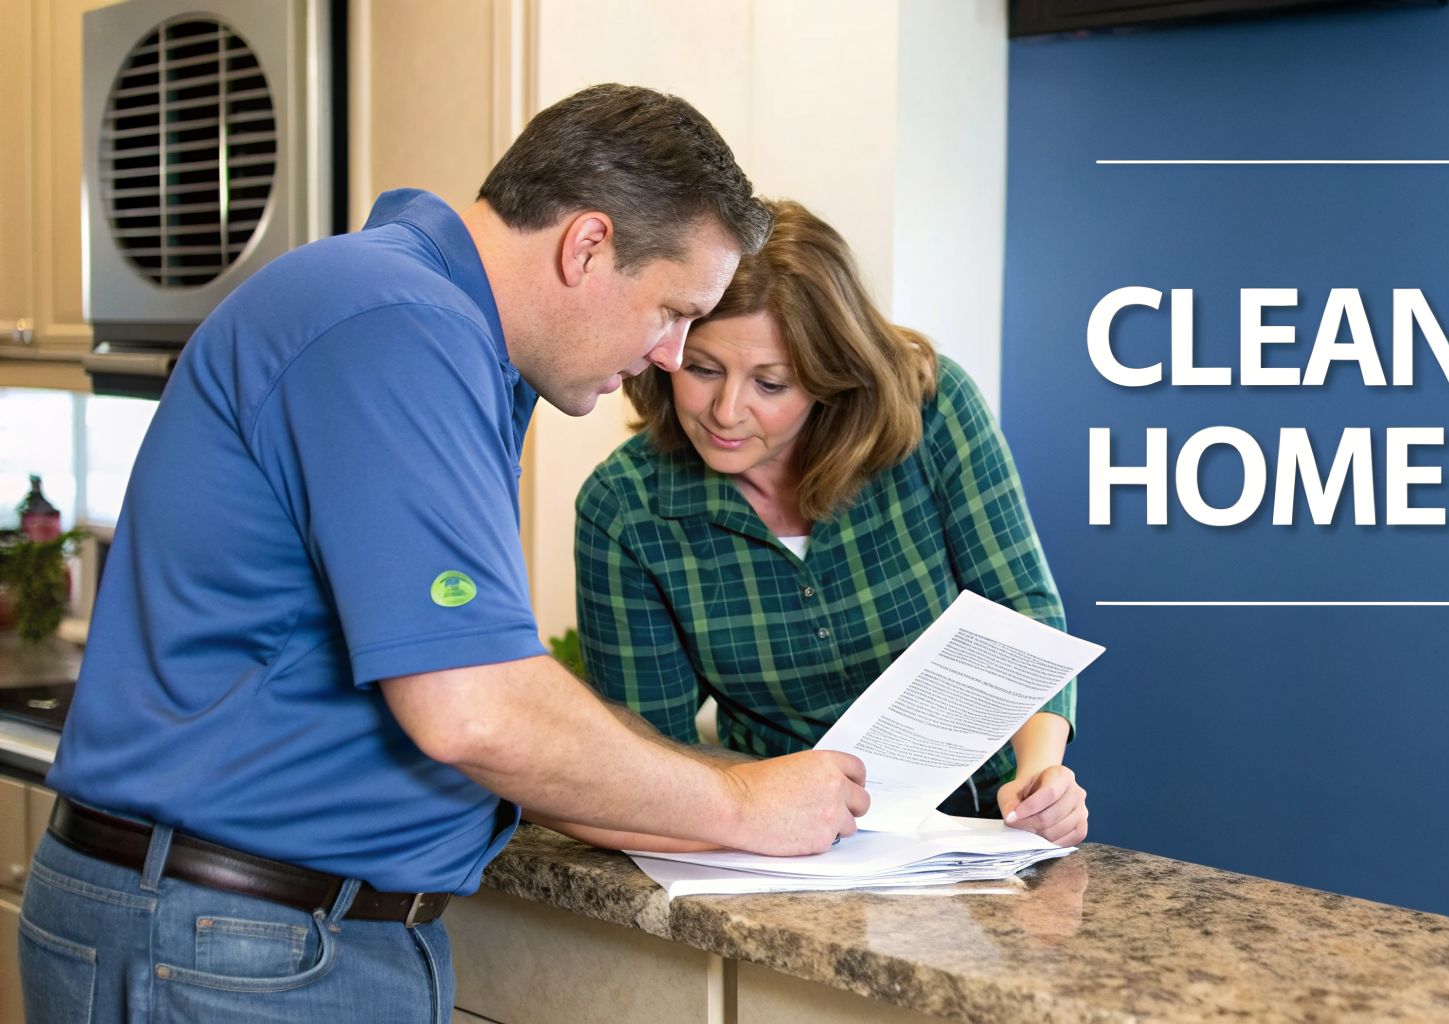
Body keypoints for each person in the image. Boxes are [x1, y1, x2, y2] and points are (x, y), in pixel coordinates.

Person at [22, 85, 869, 1023]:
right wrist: (744, 805)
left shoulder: (417, 322)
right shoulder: (394, 324)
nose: (672, 355)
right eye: (672, 310)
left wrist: (726, 793)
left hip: (254, 938)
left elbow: (488, 694)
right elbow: (474, 712)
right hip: (229, 943)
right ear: (586, 245)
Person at [573, 199, 1087, 849]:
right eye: (703, 370)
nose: (727, 412)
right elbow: (650, 753)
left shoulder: (934, 412)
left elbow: (1020, 617)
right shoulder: (624, 508)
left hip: (974, 828)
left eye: (772, 383)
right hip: (774, 843)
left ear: (828, 378)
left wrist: (1042, 772)